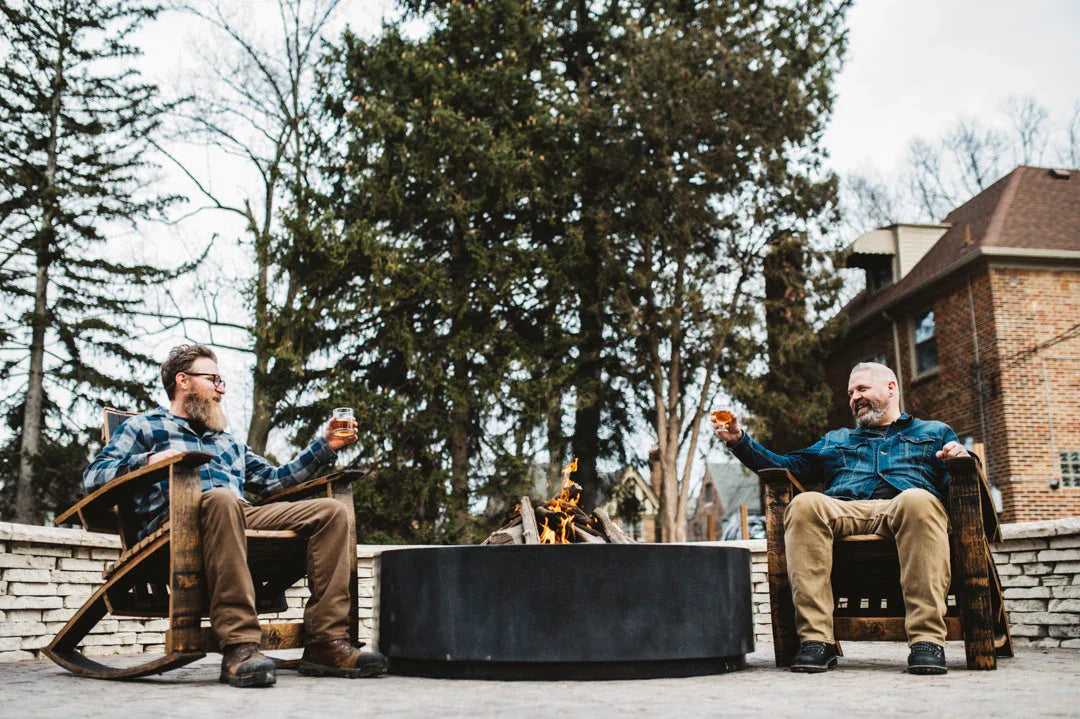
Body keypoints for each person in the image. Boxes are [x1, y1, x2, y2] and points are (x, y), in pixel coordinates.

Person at [84, 343, 386, 687]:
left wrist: (326, 445)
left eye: (222, 380)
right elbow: (94, 475)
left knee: (330, 512)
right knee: (221, 500)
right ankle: (241, 646)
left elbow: (274, 481)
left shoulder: (227, 441)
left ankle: (326, 643)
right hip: (175, 529)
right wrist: (147, 462)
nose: (221, 388)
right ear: (183, 381)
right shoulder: (143, 427)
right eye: (213, 379)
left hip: (237, 518)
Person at [713, 362, 971, 675]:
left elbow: (962, 485)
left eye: (862, 389)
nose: (854, 398)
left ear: (891, 388)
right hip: (847, 511)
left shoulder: (934, 433)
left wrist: (964, 459)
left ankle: (927, 640)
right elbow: (785, 466)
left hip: (907, 509)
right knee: (806, 504)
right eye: (850, 393)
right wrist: (740, 440)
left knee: (919, 501)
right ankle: (816, 640)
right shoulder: (837, 440)